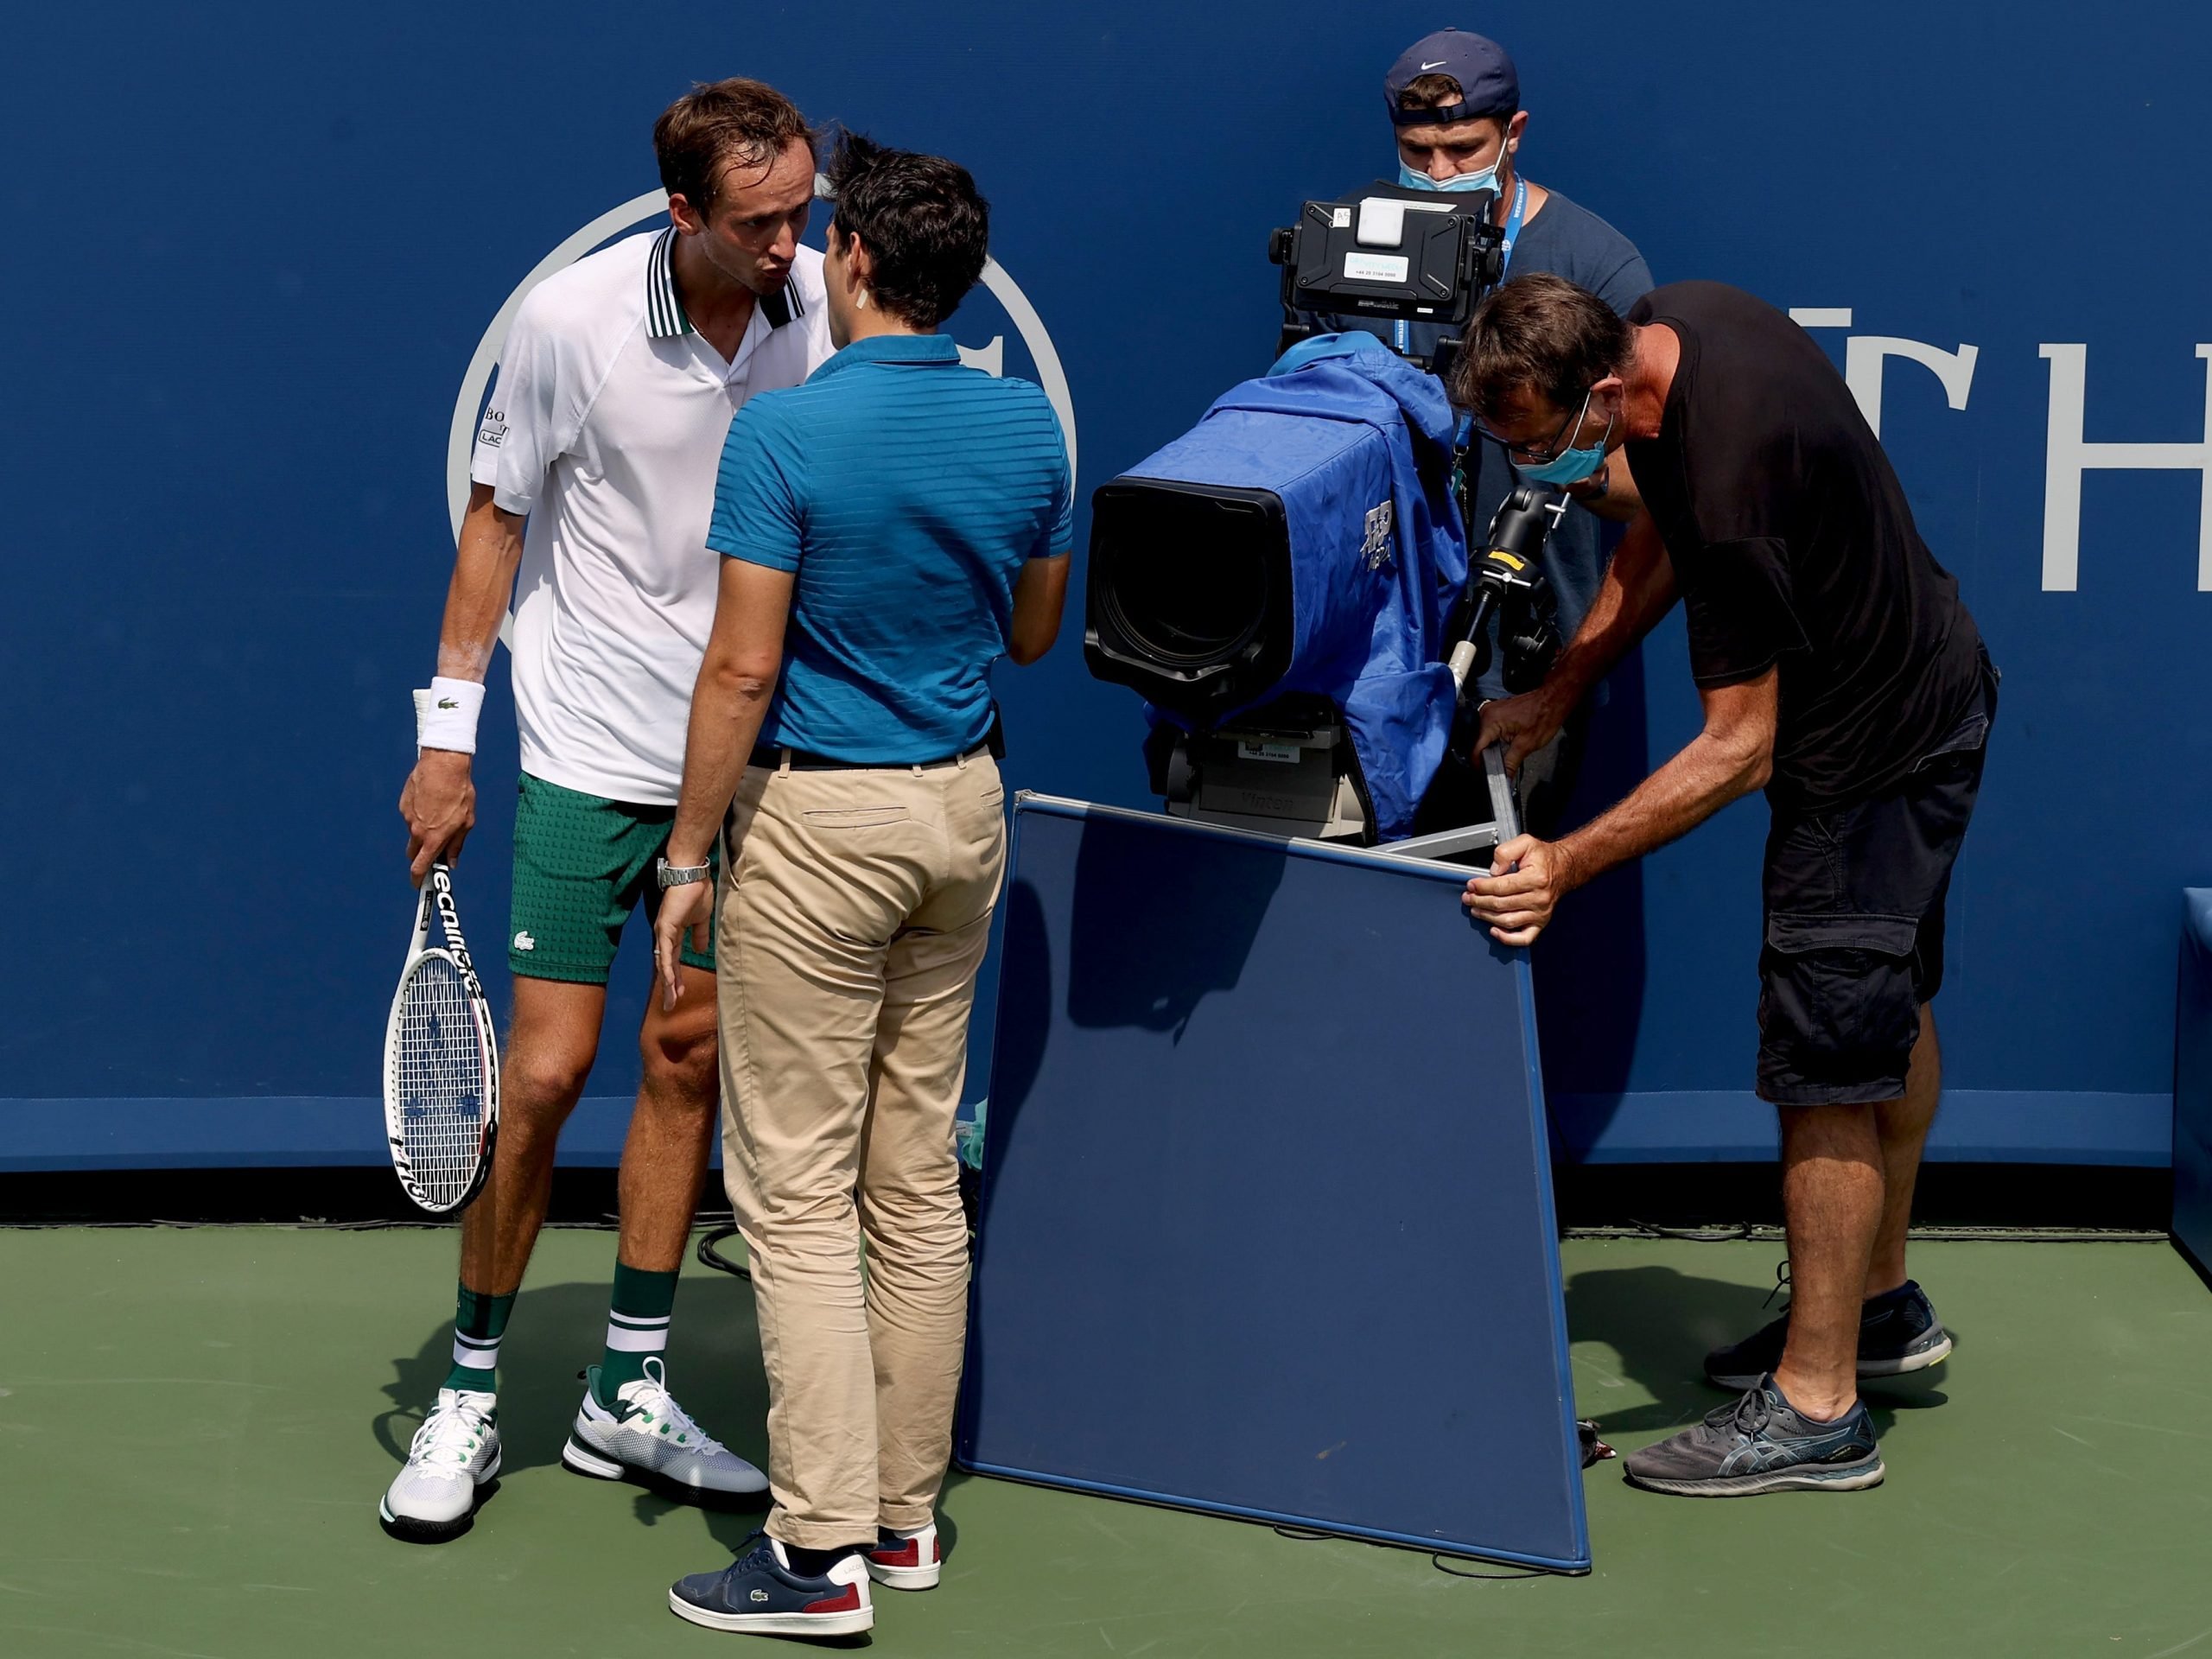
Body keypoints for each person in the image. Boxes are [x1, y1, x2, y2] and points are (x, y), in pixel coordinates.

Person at [1456, 274, 1997, 1497]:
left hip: (1868, 760)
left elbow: (1739, 748)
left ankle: (1818, 1409)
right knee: (1884, 1004)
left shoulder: (1735, 479)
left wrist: (1564, 863)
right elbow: (1660, 535)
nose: (1537, 473)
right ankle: (1876, 1307)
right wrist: (1564, 685)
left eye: (1541, 445)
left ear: (1601, 392)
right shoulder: (1678, 322)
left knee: (1825, 1070)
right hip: (1928, 697)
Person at [380, 78, 832, 1541]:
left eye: (802, 214)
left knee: (685, 1055)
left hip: (744, 764)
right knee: (555, 1074)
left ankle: (624, 1389)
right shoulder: (572, 324)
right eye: (758, 223)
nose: (788, 245)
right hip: (585, 750)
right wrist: (448, 740)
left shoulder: (824, 307)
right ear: (684, 212)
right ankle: (469, 1389)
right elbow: (498, 522)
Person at [651, 132, 1072, 1637]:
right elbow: (1031, 638)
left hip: (820, 835)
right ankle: (904, 1526)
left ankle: (816, 1555)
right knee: (912, 1182)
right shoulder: (1029, 437)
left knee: (799, 1198)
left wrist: (689, 853)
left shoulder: (782, 441)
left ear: (859, 268)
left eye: (826, 243)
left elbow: (744, 664)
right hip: (963, 821)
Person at [1345, 28, 1655, 830]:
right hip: (1375, 655)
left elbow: (1644, 491)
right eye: (1419, 152)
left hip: (1524, 661)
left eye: (1463, 148)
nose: (1440, 173)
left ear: (1512, 133)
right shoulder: (1355, 252)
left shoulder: (1597, 263)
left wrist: (1555, 458)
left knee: (1493, 913)